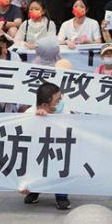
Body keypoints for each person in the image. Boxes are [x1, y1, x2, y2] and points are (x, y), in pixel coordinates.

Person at [21, 82, 72, 210]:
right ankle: (34, 191)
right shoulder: (29, 113)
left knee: (59, 171)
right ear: (44, 104)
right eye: (57, 100)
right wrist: (38, 120)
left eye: (60, 99)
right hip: (37, 153)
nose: (60, 102)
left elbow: (69, 129)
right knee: (36, 172)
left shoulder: (64, 110)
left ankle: (61, 196)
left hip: (58, 150)